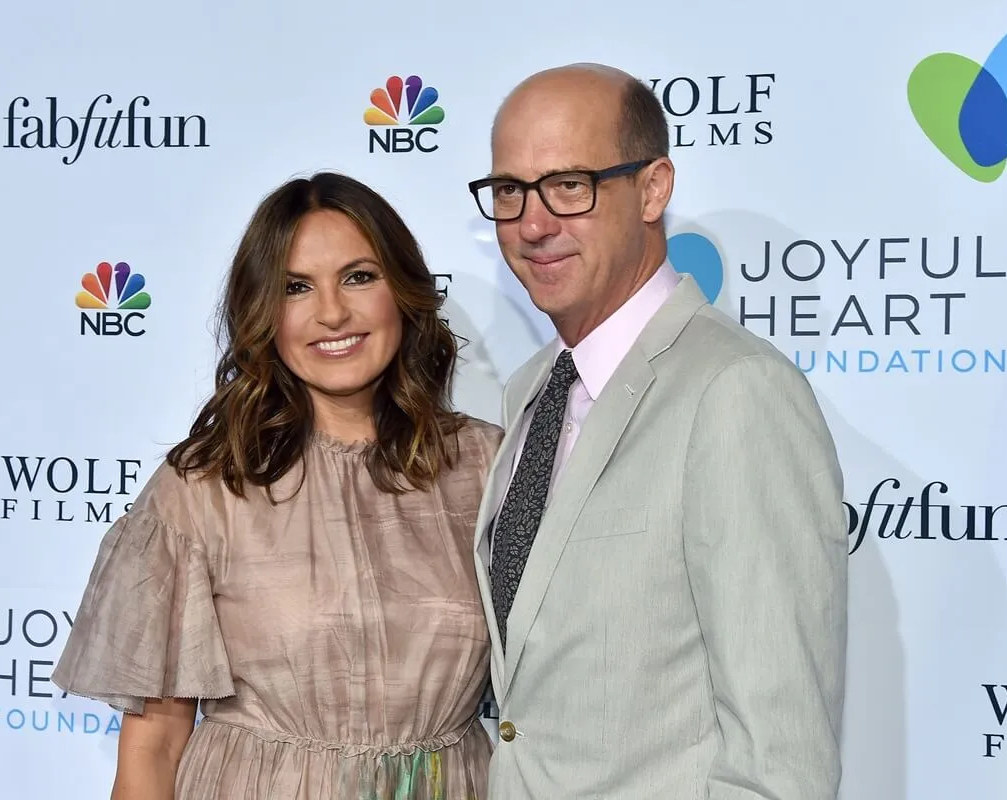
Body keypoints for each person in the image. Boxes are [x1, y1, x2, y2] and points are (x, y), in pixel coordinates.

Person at [52, 171, 503, 799]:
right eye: (297, 287)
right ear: (264, 312)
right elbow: (152, 748)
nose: (332, 312)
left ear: (403, 290)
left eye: (359, 276)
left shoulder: (487, 466)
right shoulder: (206, 486)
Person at [466, 63, 848, 799]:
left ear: (652, 188)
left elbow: (780, 758)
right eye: (509, 191)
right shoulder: (530, 391)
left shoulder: (735, 392)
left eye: (569, 185)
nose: (532, 223)